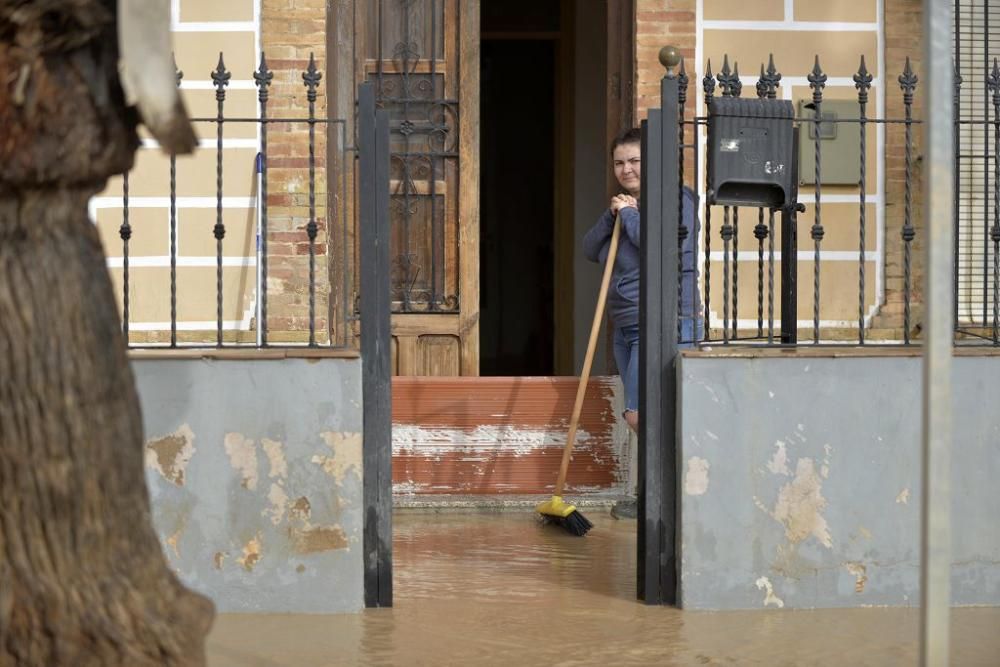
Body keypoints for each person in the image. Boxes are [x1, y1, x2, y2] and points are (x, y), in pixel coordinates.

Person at [582, 127, 701, 519]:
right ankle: (654, 493)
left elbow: (659, 247)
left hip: (666, 318)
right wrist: (614, 212)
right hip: (628, 323)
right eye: (619, 162)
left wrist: (630, 214)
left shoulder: (675, 200)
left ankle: (676, 491)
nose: (626, 168)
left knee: (640, 413)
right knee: (645, 412)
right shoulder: (628, 206)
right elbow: (590, 249)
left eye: (634, 160)